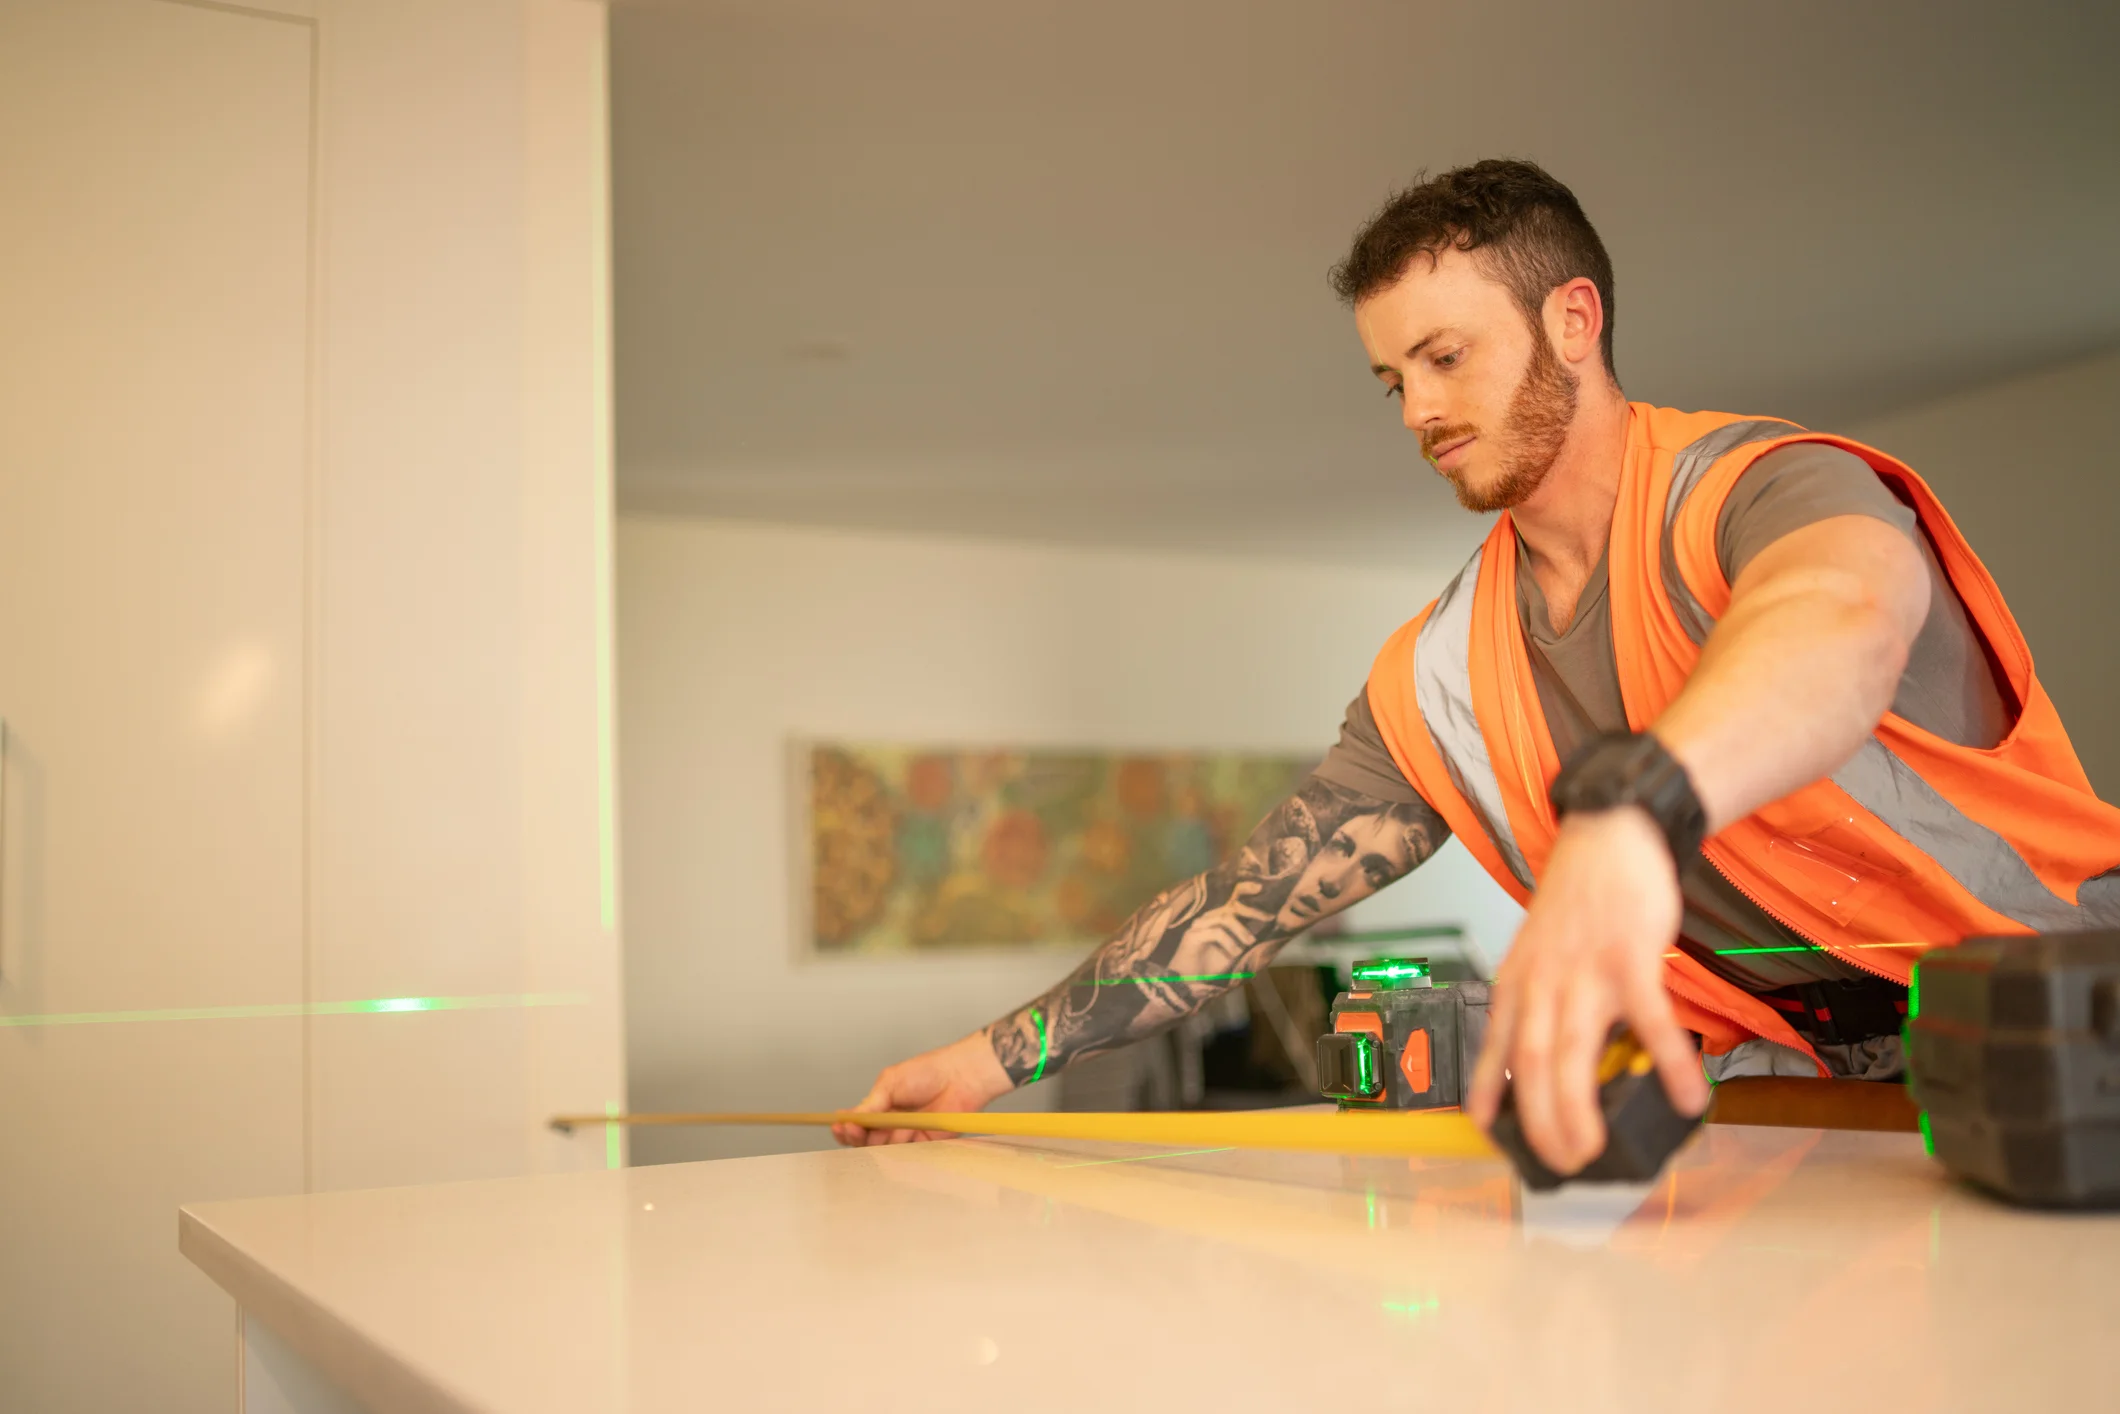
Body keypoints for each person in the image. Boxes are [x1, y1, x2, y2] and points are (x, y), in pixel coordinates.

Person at [835, 159, 2120, 1173]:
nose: (1416, 413)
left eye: (1443, 357)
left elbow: (1838, 623)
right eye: (1389, 379)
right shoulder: (1438, 679)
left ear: (1571, 320)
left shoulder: (1758, 488)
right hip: (1842, 1124)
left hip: (2083, 1049)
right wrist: (989, 1062)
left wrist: (1631, 818)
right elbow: (1244, 902)